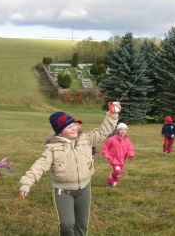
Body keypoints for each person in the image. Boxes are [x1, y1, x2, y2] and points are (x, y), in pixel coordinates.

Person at [19, 101, 121, 236]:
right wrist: (27, 183)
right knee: (67, 224)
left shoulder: (87, 139)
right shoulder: (53, 148)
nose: (74, 129)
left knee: (82, 224)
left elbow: (103, 131)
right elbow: (39, 165)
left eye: (74, 125)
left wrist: (112, 115)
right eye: (69, 127)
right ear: (60, 133)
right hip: (63, 191)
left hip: (84, 189)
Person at [101, 123, 135, 188]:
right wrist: (105, 153)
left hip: (122, 159)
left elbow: (130, 148)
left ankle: (113, 181)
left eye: (125, 129)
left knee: (118, 172)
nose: (123, 131)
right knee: (118, 172)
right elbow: (105, 146)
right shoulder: (112, 139)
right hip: (113, 159)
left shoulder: (127, 140)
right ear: (117, 130)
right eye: (121, 129)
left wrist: (131, 154)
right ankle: (111, 179)